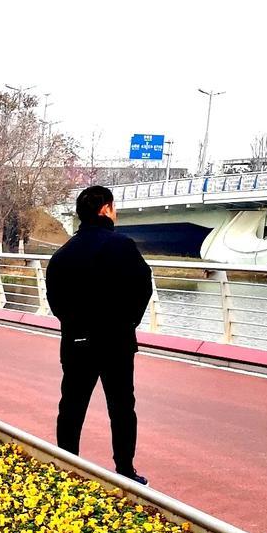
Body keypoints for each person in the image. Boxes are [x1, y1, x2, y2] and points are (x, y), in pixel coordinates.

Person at [46, 184, 154, 484]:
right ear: (105, 209)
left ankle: (68, 465)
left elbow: (55, 300)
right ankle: (125, 470)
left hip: (76, 341)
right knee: (121, 407)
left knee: (71, 405)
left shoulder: (62, 254)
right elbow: (143, 286)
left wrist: (73, 325)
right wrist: (127, 322)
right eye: (114, 207)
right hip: (116, 342)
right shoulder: (123, 246)